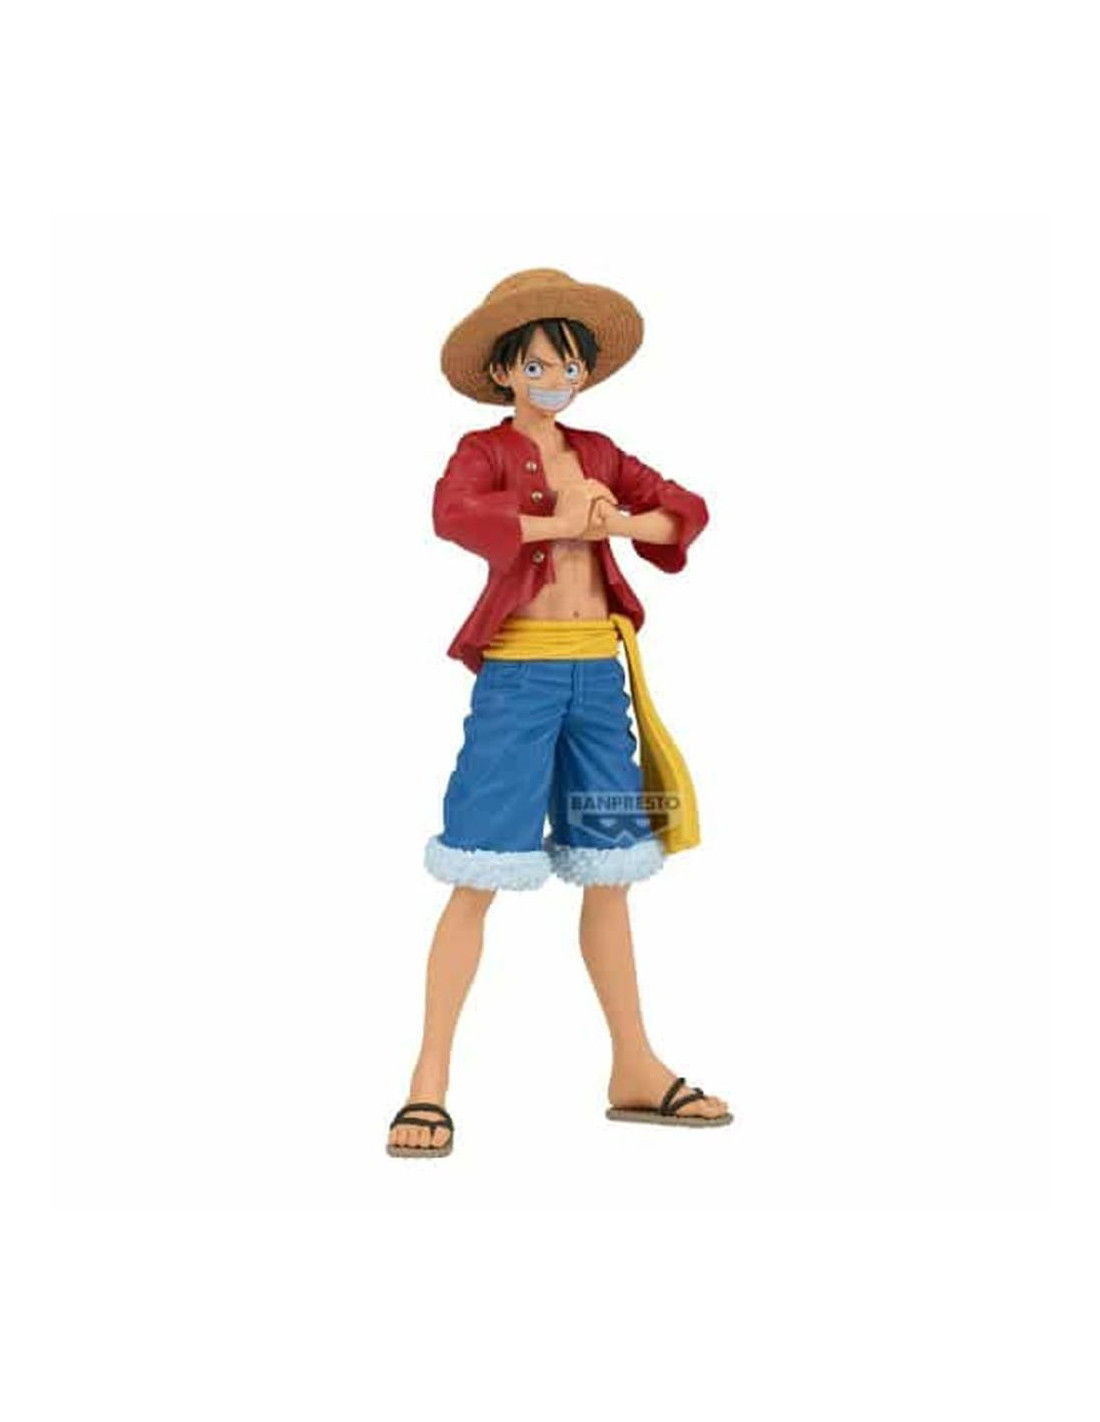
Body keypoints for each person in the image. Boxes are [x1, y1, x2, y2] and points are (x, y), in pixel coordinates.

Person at [387, 269, 732, 1157]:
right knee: (476, 867)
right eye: (539, 366)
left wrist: (613, 521)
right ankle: (428, 1081)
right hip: (519, 682)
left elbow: (683, 512)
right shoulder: (484, 450)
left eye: (569, 366)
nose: (556, 380)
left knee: (612, 866)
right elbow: (454, 515)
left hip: (599, 683)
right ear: (505, 371)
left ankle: (634, 1066)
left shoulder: (602, 453)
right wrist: (555, 521)